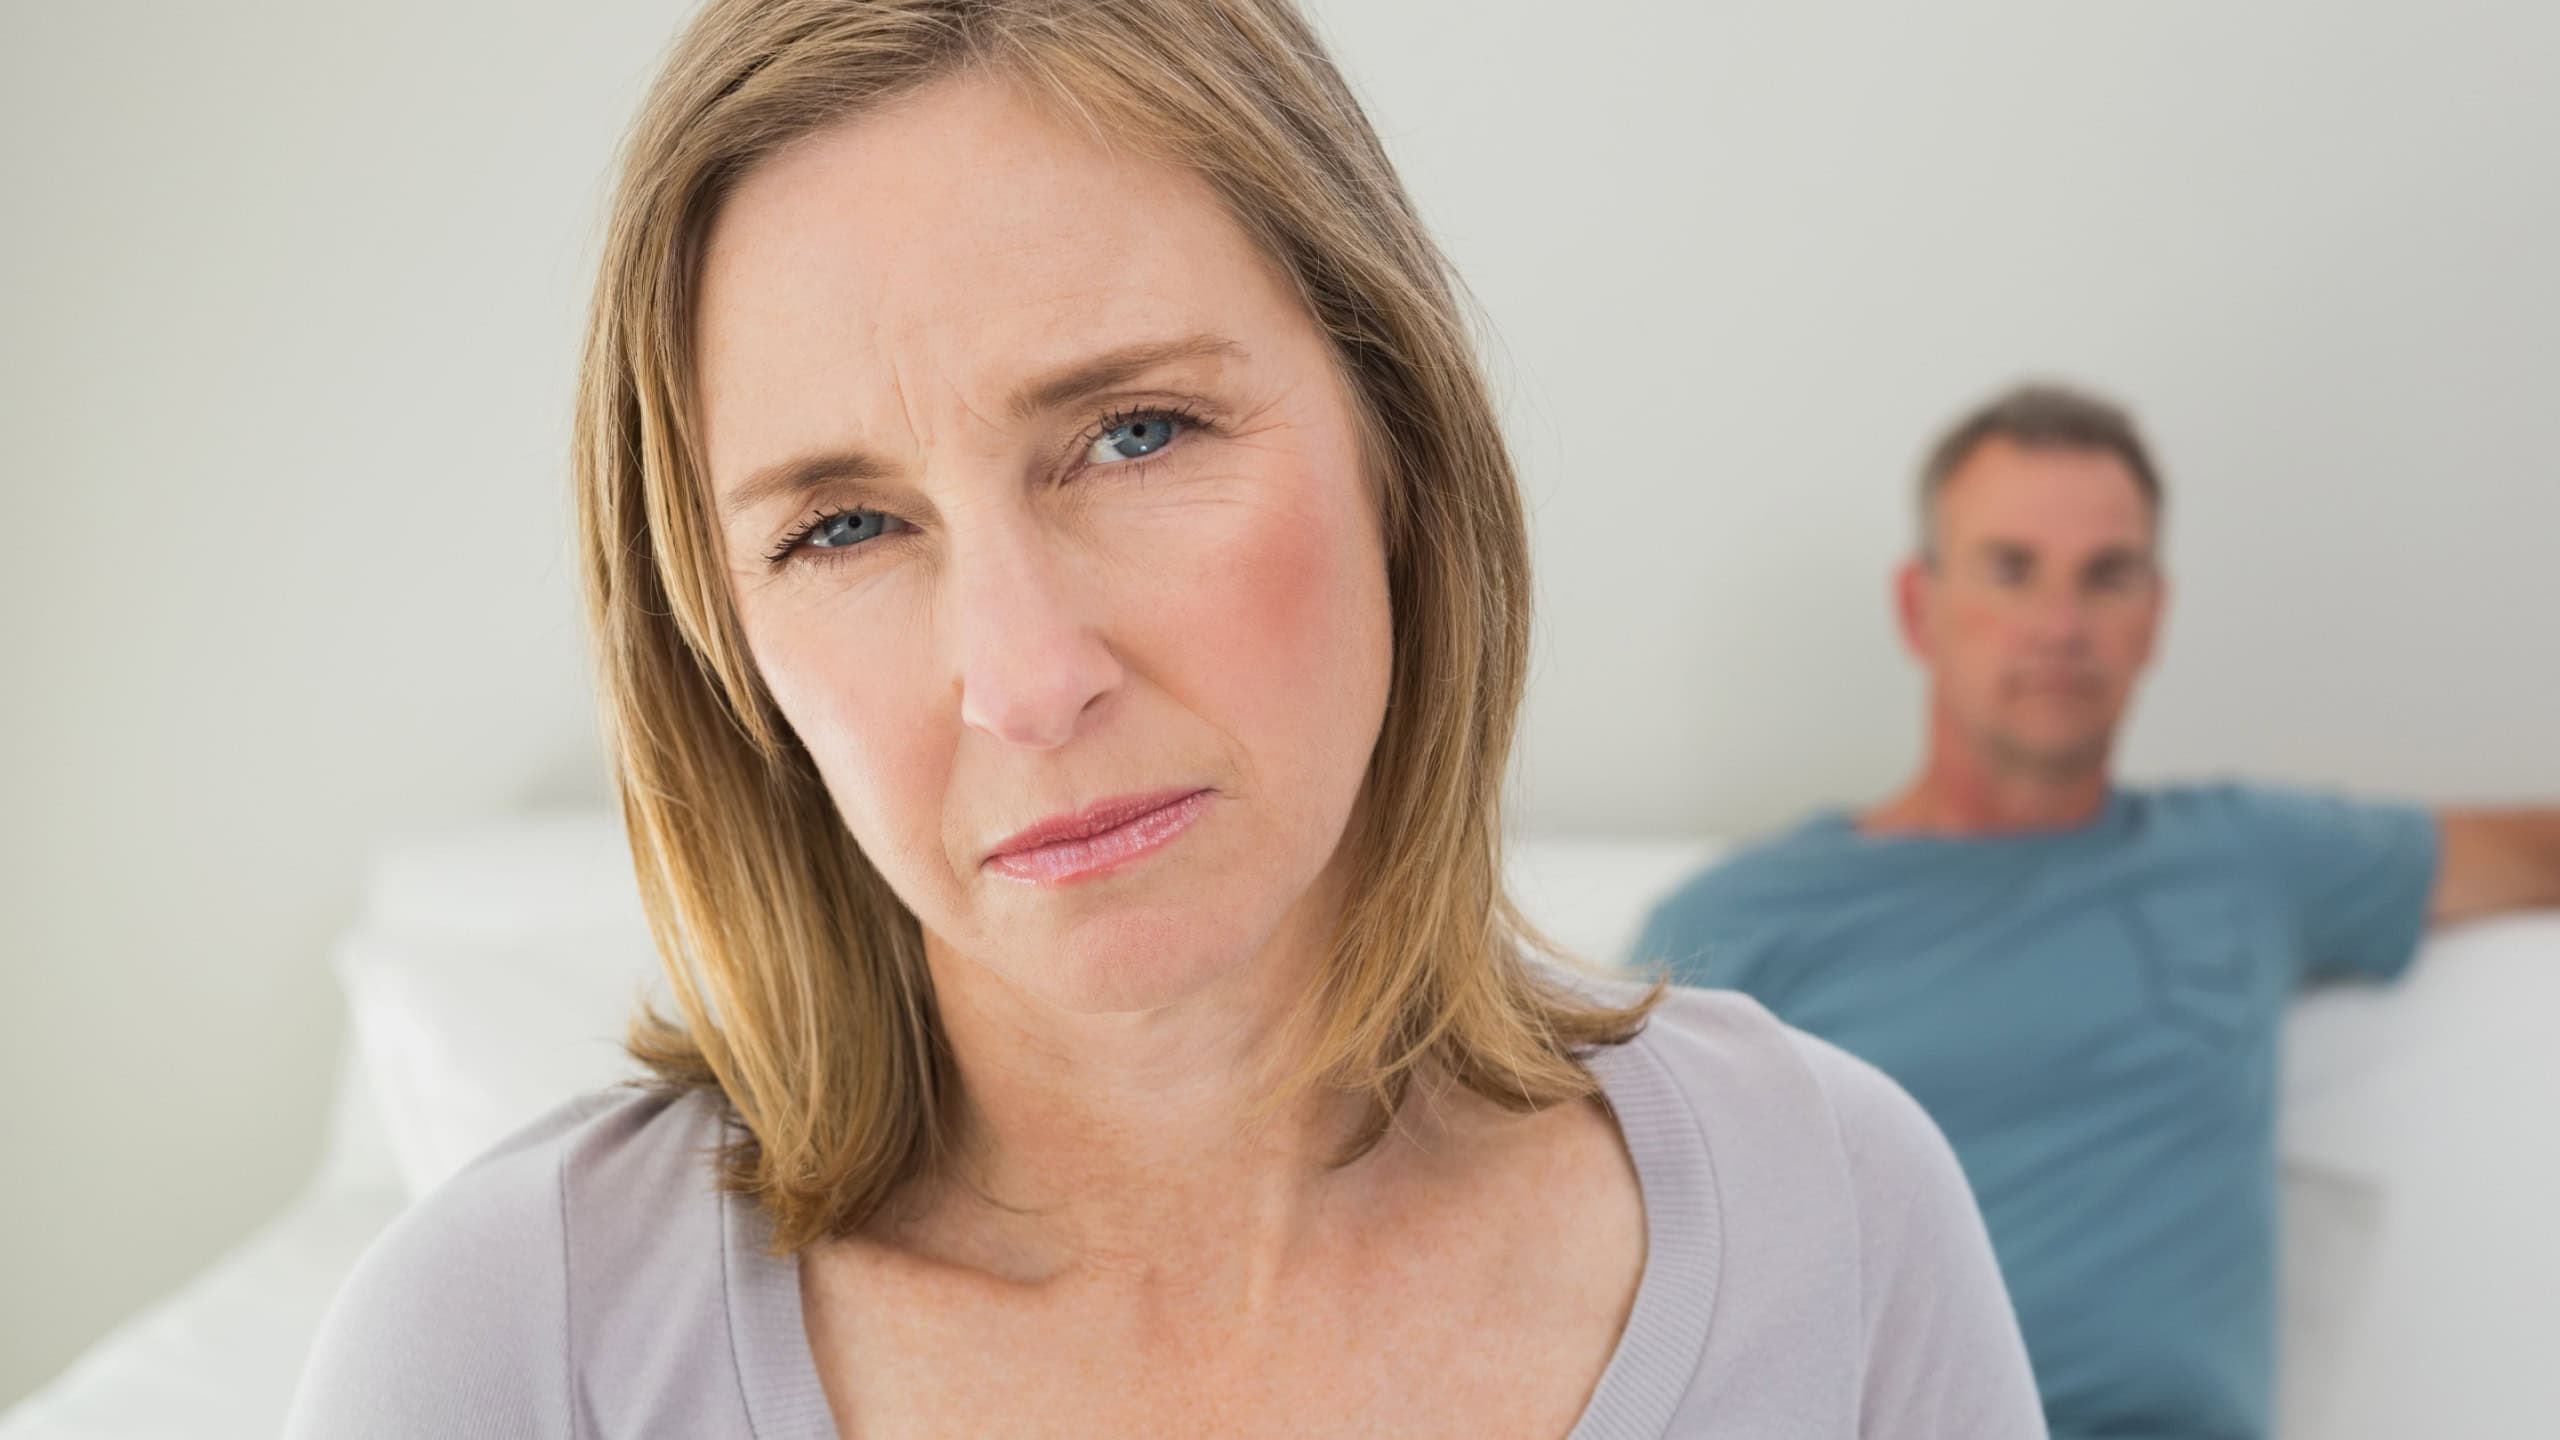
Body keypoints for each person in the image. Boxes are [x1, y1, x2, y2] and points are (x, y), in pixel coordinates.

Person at [283, 2, 2044, 1435]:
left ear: (1397, 448)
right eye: (843, 527)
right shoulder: (501, 1354)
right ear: (724, 653)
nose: (1031, 679)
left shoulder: (1835, 1213)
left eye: (1135, 434)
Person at [1634, 381, 2560, 1440]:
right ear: (1916, 606)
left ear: (2152, 616)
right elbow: (1631, 1257)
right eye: (2011, 570)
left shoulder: (2248, 858)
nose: (2060, 626)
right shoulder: (1746, 917)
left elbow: (2535, 853)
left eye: (2105, 576)